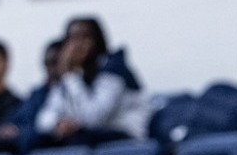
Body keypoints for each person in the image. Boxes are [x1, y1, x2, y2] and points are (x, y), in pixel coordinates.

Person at [32, 17, 153, 148]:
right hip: (89, 135)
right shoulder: (73, 74)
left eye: (84, 38)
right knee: (37, 142)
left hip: (124, 135)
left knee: (77, 143)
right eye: (72, 39)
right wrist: (57, 123)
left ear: (97, 40)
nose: (77, 45)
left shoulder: (113, 67)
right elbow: (43, 118)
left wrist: (70, 77)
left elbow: (94, 118)